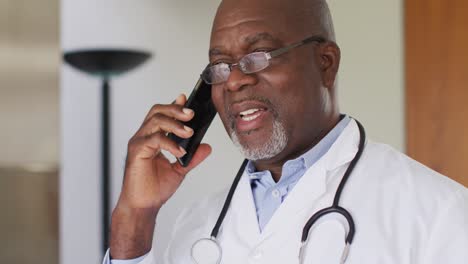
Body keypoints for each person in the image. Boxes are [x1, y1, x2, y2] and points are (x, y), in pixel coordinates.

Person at [103, 0, 468, 263]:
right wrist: (134, 218)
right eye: (220, 65)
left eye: (259, 55)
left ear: (326, 63)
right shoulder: (197, 223)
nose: (234, 82)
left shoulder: (439, 213)